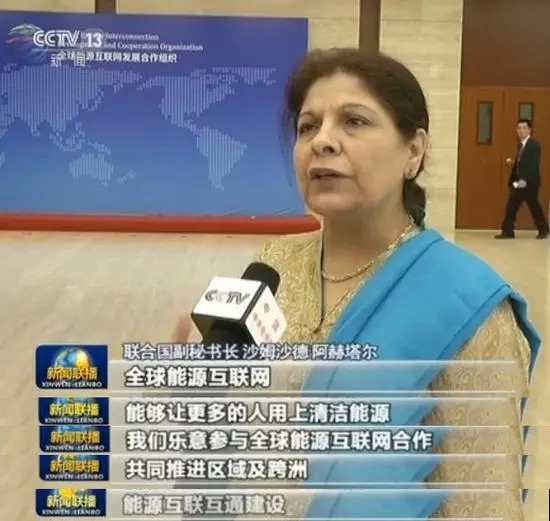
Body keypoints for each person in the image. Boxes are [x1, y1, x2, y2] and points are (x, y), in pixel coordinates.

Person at [174, 49, 540, 520]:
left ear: (414, 151)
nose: (322, 141)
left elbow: (483, 503)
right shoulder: (273, 265)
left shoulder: (469, 305)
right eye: (308, 126)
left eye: (354, 121)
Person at [495, 118, 549, 239]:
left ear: (529, 130)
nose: (521, 130)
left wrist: (524, 180)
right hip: (519, 182)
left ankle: (543, 229)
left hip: (529, 183)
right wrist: (513, 163)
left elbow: (533, 165)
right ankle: (508, 231)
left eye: (524, 128)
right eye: (519, 128)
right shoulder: (520, 145)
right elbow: (523, 162)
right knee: (512, 206)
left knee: (534, 207)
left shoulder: (534, 145)